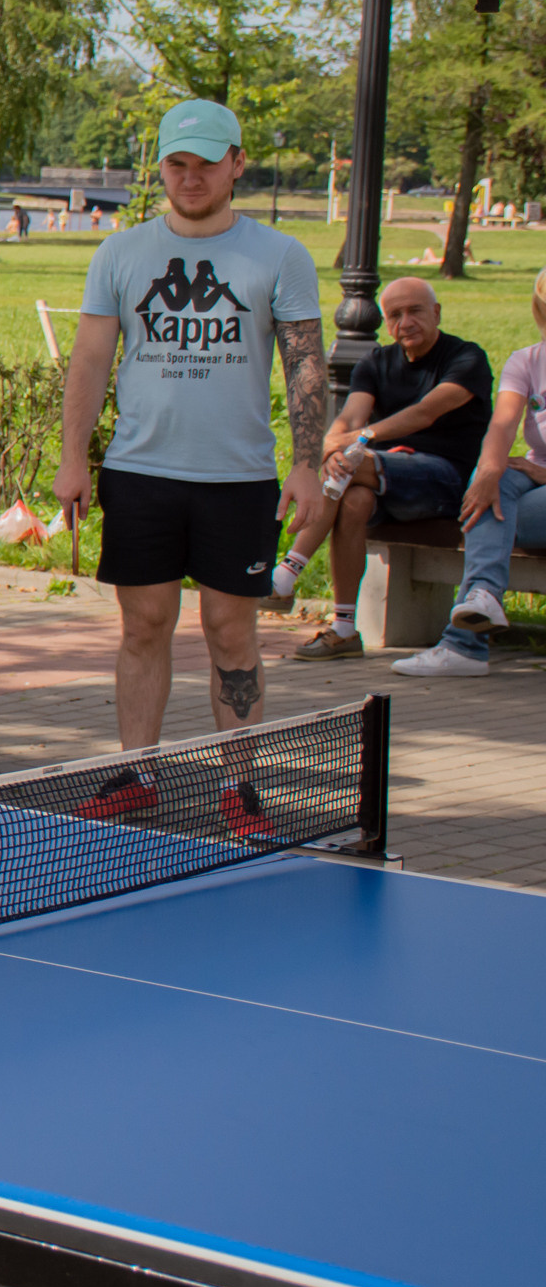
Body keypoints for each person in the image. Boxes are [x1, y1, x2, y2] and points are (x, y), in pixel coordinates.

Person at [52, 99, 328, 804]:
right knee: (143, 625)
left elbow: (305, 364)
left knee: (230, 633)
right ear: (162, 167)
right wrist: (74, 457)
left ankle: (241, 787)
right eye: (178, 163)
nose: (192, 177)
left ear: (236, 164)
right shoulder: (121, 252)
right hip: (141, 473)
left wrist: (307, 463)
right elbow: (88, 361)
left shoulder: (280, 255)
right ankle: (137, 773)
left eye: (207, 163)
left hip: (237, 480)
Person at [270, 276, 491, 659]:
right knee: (353, 500)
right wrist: (334, 445)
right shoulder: (375, 362)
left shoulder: (466, 358)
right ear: (386, 323)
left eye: (415, 311)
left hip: (444, 481)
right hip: (378, 475)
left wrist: (350, 443)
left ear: (436, 312)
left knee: (352, 467)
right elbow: (349, 417)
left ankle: (285, 574)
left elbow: (425, 413)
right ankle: (343, 628)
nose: (405, 322)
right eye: (395, 315)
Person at [392, 267, 546, 677]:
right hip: (533, 492)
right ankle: (481, 601)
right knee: (494, 484)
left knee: (500, 493)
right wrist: (488, 471)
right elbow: (501, 428)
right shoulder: (528, 361)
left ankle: (465, 646)